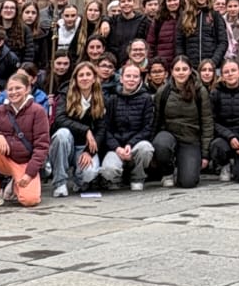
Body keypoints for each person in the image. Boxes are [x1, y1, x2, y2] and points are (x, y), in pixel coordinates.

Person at [0, 69, 50, 208]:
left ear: (27, 89)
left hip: (25, 162)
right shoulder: (1, 110)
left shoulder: (38, 111)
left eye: (18, 88)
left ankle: (16, 183)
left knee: (29, 200)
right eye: (10, 89)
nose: (13, 92)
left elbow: (42, 147)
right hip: (5, 157)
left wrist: (29, 173)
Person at [48, 59, 107, 196]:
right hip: (65, 145)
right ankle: (60, 183)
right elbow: (60, 119)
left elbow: (101, 129)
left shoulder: (101, 98)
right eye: (81, 75)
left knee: (90, 173)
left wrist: (89, 151)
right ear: (75, 78)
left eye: (88, 74)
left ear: (94, 78)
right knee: (62, 134)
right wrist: (85, 130)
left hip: (83, 147)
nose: (85, 78)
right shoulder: (65, 94)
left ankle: (79, 179)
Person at [153, 55, 212, 187]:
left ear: (190, 70)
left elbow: (207, 123)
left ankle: (184, 167)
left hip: (190, 140)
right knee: (160, 144)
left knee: (188, 182)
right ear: (172, 72)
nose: (181, 72)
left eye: (184, 69)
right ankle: (167, 172)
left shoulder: (200, 91)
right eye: (177, 69)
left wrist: (205, 154)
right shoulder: (163, 92)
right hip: (169, 136)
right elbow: (156, 121)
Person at [100, 60, 156, 190]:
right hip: (116, 147)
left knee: (146, 149)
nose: (131, 79)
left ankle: (137, 177)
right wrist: (117, 148)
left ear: (140, 79)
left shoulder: (146, 98)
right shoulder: (112, 99)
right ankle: (116, 179)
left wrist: (130, 144)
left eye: (135, 76)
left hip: (135, 145)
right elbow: (106, 128)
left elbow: (148, 127)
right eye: (128, 76)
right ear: (121, 79)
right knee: (108, 170)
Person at [209, 57, 239, 183]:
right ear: (222, 76)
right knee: (216, 146)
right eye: (226, 72)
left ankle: (238, 164)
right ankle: (224, 165)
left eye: (233, 70)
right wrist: (229, 137)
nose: (230, 74)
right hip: (225, 138)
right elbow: (212, 122)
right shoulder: (215, 93)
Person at [148, 0, 184, 73]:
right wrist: (151, 64)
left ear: (180, 0)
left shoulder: (186, 18)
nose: (172, 3)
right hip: (163, 66)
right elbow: (151, 44)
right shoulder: (159, 20)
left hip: (181, 65)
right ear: (165, 3)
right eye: (169, 1)